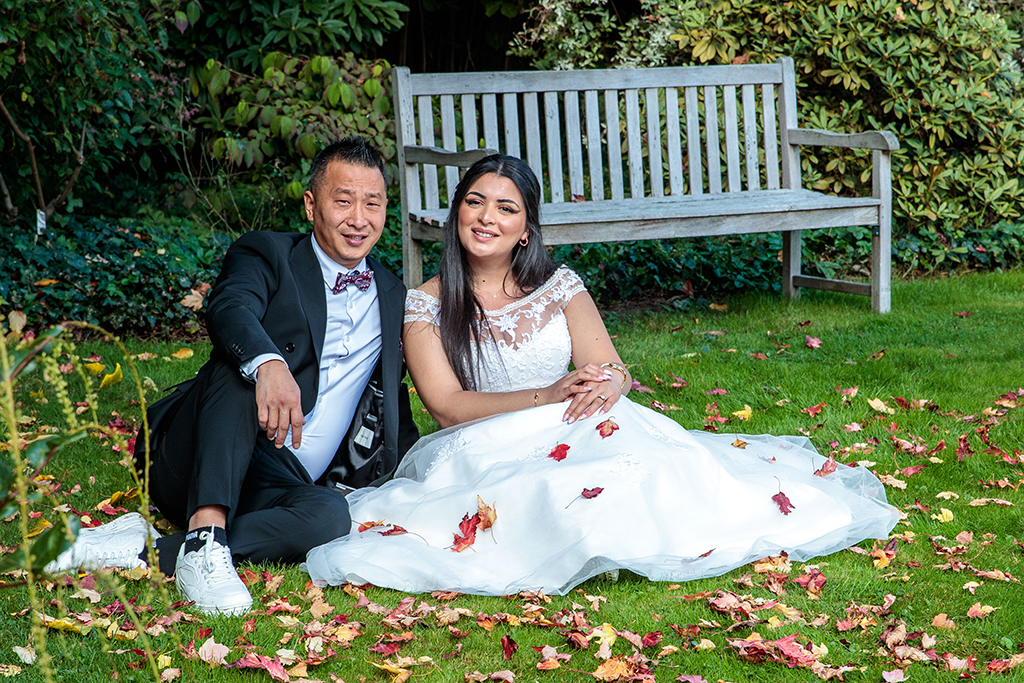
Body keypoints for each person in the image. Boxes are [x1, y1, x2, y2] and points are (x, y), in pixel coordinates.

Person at [302, 154, 899, 596]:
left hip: (578, 420)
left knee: (653, 468)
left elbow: (610, 365)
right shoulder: (426, 304)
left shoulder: (558, 286)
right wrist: (547, 395)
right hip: (483, 443)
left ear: (526, 228)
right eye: (475, 202)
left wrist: (611, 382)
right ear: (457, 210)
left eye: (506, 208)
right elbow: (447, 406)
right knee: (549, 494)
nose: (486, 218)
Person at [47, 137, 419, 614]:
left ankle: (150, 549)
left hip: (280, 479)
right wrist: (269, 363)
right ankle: (204, 534)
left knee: (329, 518)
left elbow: (390, 395)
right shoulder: (267, 253)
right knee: (241, 367)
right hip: (202, 449)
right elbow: (230, 307)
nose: (359, 218)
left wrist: (415, 479)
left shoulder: (391, 293)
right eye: (343, 201)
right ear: (311, 205)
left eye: (372, 203)